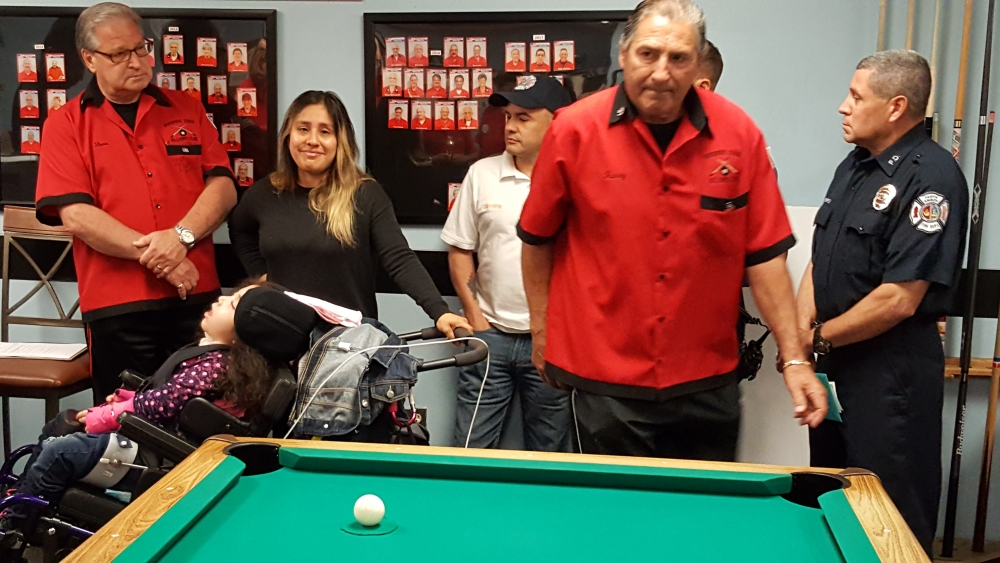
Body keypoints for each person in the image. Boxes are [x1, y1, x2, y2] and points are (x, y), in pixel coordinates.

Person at [518, 0, 827, 461]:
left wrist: (796, 358)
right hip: (605, 380)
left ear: (697, 63)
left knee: (705, 503)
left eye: (678, 58)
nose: (661, 73)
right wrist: (542, 333)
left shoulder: (738, 134)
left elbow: (766, 256)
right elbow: (537, 240)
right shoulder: (575, 130)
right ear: (624, 55)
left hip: (707, 379)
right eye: (648, 54)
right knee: (619, 505)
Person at [796, 50, 968, 555]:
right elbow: (821, 258)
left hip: (890, 375)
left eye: (856, 96)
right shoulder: (855, 166)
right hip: (835, 365)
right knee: (832, 500)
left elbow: (898, 299)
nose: (843, 106)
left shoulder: (931, 178)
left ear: (895, 107)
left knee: (891, 515)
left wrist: (816, 338)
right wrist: (803, 335)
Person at [34, 3, 237, 403]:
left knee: (204, 416)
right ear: (89, 59)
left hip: (196, 299)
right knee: (122, 422)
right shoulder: (66, 123)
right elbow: (77, 215)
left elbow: (224, 186)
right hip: (117, 305)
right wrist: (165, 257)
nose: (137, 61)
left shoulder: (186, 108)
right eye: (119, 53)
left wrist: (180, 238)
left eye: (142, 48)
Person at [0, 283, 319, 525]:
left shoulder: (218, 367)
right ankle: (22, 493)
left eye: (233, 304)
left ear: (247, 332)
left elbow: (160, 405)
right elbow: (169, 397)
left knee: (60, 451)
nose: (220, 300)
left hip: (157, 452)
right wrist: (128, 399)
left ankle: (17, 523)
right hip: (151, 437)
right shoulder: (218, 359)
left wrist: (106, 414)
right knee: (60, 426)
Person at [228, 90, 471, 344]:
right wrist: (260, 275)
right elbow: (239, 230)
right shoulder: (266, 193)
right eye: (303, 129)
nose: (312, 140)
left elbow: (399, 258)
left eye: (325, 131)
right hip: (282, 341)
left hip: (347, 345)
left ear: (340, 141)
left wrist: (440, 311)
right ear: (288, 135)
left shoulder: (365, 194)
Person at [443, 77, 573, 451]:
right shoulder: (482, 174)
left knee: (550, 453)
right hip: (490, 337)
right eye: (508, 117)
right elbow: (460, 249)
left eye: (524, 118)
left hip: (551, 340)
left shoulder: (573, 178)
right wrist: (476, 320)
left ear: (556, 122)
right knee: (471, 449)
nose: (510, 127)